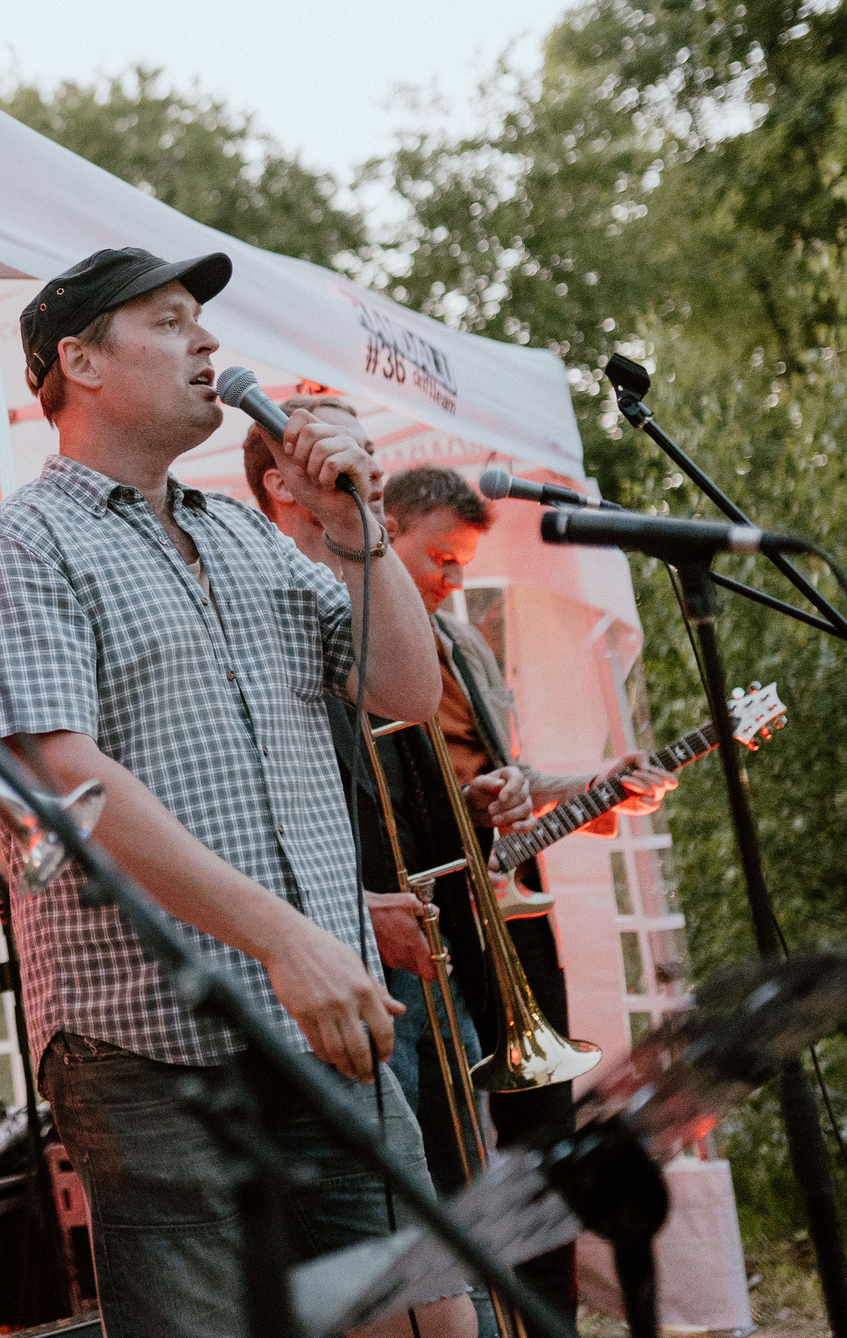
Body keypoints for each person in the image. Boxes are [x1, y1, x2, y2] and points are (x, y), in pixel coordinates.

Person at [0, 247, 464, 1338]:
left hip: (325, 1023)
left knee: (426, 1324)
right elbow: (63, 781)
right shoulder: (18, 544)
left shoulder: (243, 537)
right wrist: (285, 937)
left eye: (202, 323)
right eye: (170, 322)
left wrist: (355, 527)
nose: (209, 345)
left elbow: (405, 687)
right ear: (77, 362)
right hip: (152, 1050)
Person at [381, 466, 676, 1323]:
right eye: (438, 555)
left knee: (544, 1136)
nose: (451, 579)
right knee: (449, 1144)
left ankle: (550, 1318)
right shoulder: (354, 645)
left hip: (511, 907)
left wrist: (593, 783)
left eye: (462, 563)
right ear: (383, 527)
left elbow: (507, 771)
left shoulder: (463, 642)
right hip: (427, 921)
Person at [241, 402, 526, 1198]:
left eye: (370, 452)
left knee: (468, 1185)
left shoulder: (381, 599)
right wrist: (359, 909)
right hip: (344, 956)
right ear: (281, 481)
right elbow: (248, 816)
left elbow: (400, 775)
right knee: (398, 1199)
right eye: (348, 451)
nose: (370, 467)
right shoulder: (260, 602)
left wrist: (479, 798)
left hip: (433, 941)